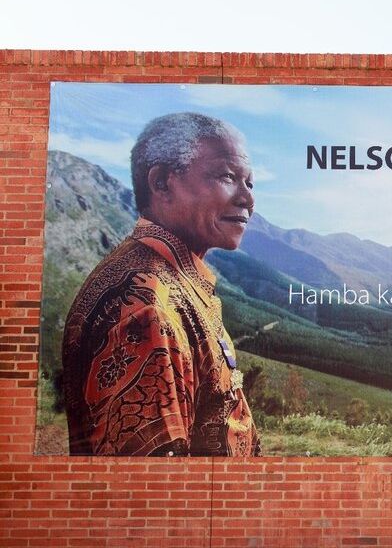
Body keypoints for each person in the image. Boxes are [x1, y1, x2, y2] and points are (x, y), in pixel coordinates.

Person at [62, 112, 261, 456]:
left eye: (250, 183)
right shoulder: (148, 310)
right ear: (161, 183)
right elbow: (154, 492)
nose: (247, 199)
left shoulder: (166, 280)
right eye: (227, 177)